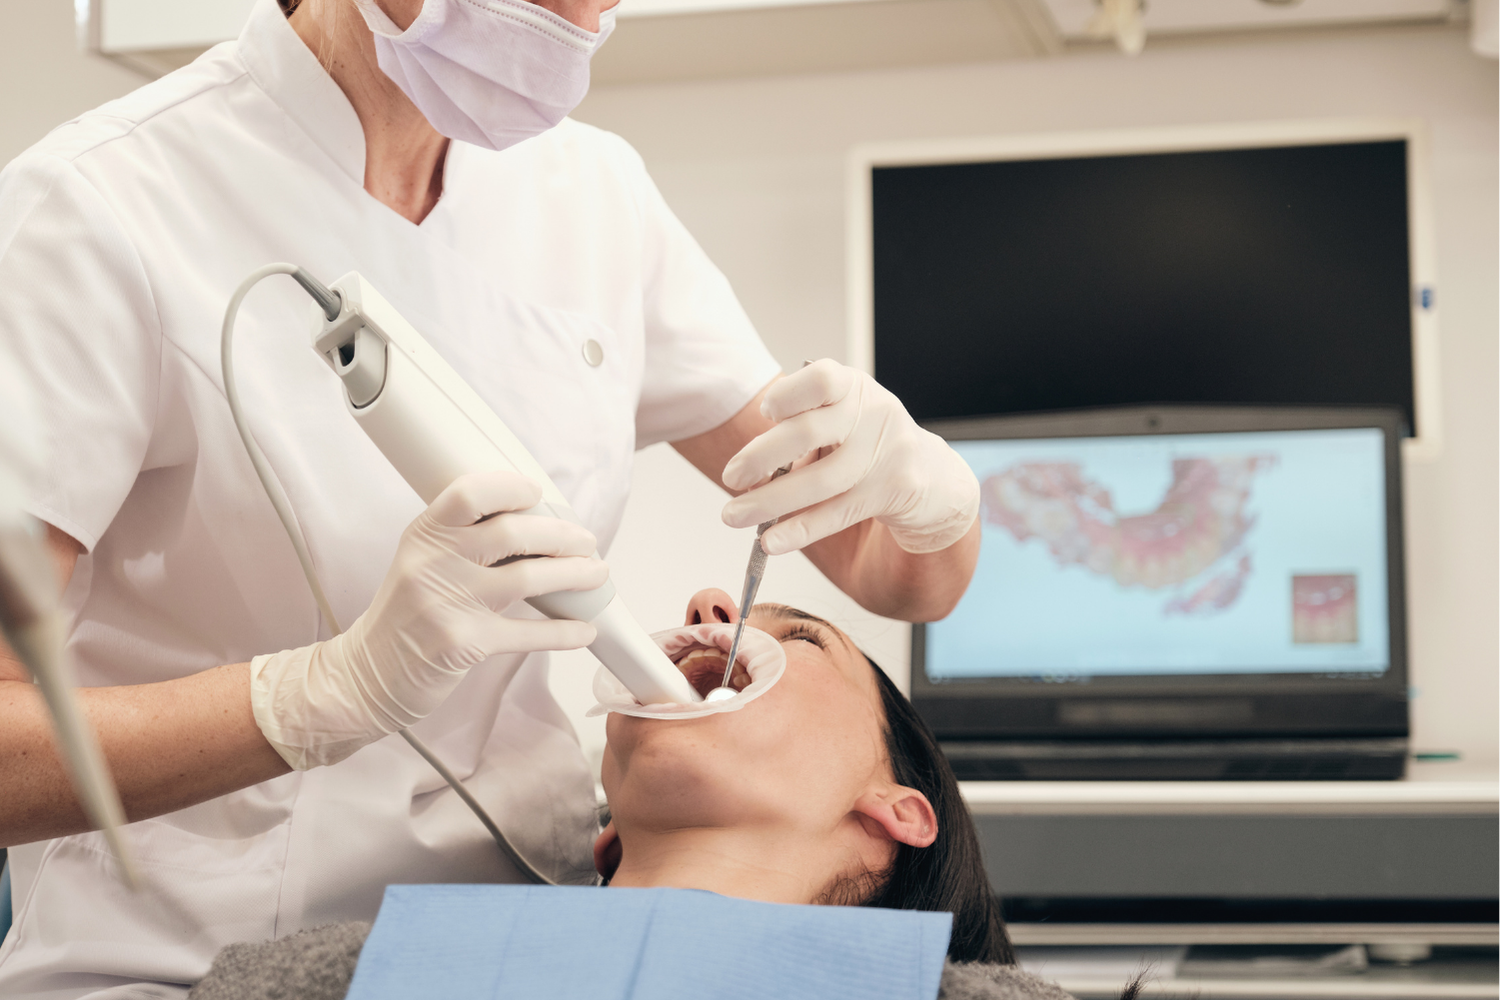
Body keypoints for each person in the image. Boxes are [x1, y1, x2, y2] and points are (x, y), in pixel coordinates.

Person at [0, 0, 983, 994]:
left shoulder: (591, 194)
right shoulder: (96, 206)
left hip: (529, 936)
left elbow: (888, 564)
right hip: (179, 963)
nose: (586, 19)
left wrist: (930, 492)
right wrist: (314, 696)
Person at [186, 591, 1078, 1000]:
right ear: (606, 837)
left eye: (801, 636)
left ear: (895, 813)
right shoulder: (304, 984)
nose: (707, 608)